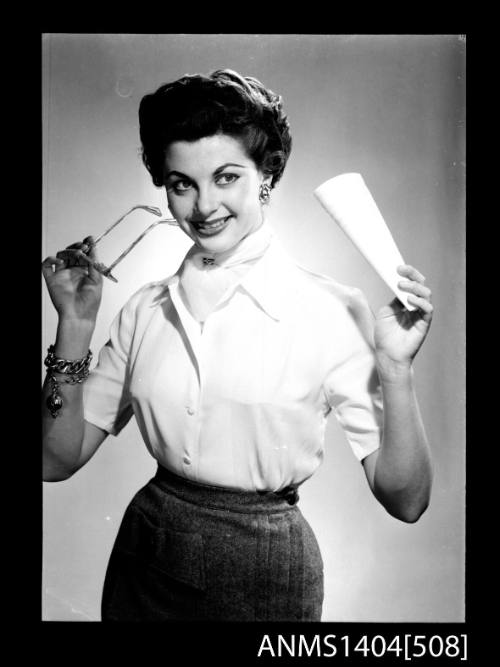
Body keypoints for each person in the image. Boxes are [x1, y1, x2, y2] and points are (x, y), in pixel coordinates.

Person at [42, 69, 434, 622]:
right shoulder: (145, 309)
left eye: (226, 177)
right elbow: (54, 460)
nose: (204, 207)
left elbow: (407, 501)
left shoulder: (332, 310)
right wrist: (74, 327)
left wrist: (396, 370)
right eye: (182, 184)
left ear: (266, 175)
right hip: (144, 557)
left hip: (263, 573)